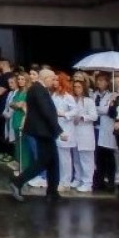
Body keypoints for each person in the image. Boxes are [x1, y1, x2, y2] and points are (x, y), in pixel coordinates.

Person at [10, 69, 68, 202]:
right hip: (43, 131)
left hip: (44, 131)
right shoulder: (38, 90)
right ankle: (18, 182)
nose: (54, 82)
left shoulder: (38, 89)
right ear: (46, 78)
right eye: (52, 79)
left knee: (53, 161)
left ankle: (52, 193)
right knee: (43, 161)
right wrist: (59, 131)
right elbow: (46, 111)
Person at [71, 78, 97, 192]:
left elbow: (94, 116)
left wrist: (82, 117)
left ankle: (87, 182)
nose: (76, 89)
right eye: (75, 87)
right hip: (74, 132)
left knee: (86, 159)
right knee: (76, 158)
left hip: (85, 133)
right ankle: (78, 178)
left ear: (83, 88)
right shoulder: (72, 100)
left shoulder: (89, 101)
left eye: (79, 87)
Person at [52, 73, 78, 191]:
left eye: (57, 80)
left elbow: (75, 111)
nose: (54, 82)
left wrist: (64, 114)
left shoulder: (68, 97)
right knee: (58, 156)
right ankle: (59, 179)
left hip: (66, 128)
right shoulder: (54, 95)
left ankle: (66, 182)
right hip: (56, 128)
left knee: (65, 157)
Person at [93, 72, 117, 191]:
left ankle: (111, 181)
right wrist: (100, 109)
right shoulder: (94, 94)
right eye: (98, 80)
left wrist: (99, 109)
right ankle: (100, 180)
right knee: (99, 156)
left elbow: (108, 110)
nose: (99, 82)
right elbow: (92, 109)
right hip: (96, 128)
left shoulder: (112, 95)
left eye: (102, 80)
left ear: (108, 82)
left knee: (109, 155)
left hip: (107, 128)